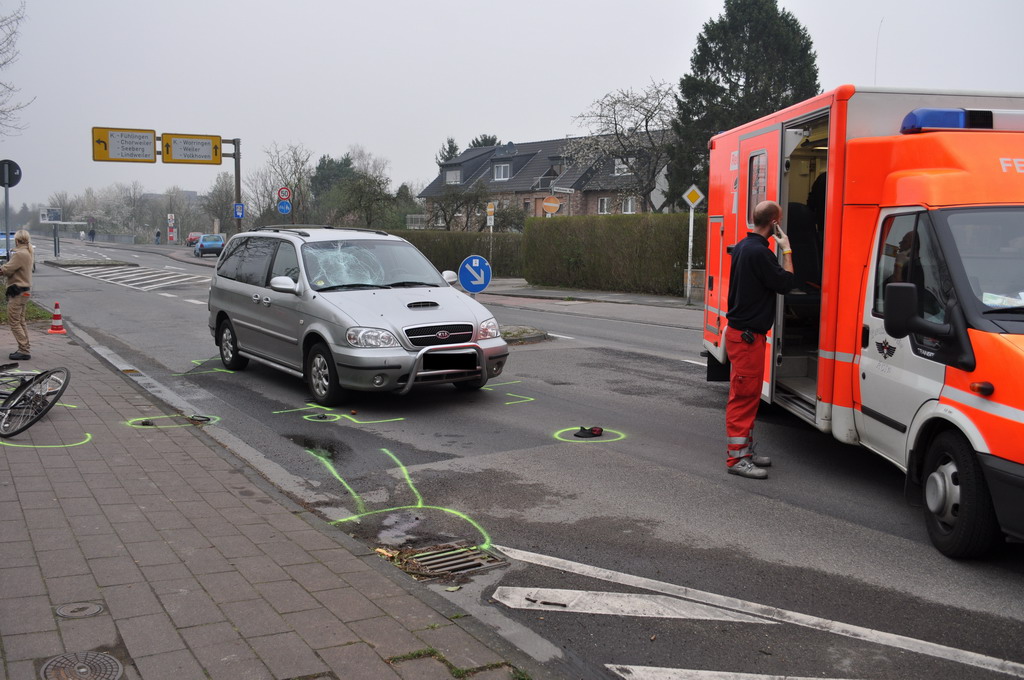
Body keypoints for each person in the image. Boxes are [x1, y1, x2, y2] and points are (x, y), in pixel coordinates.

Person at [724, 201, 795, 479]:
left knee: (749, 396)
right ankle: (736, 460)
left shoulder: (744, 246)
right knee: (743, 399)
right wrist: (786, 248)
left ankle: (745, 453)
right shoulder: (760, 253)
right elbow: (787, 283)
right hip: (747, 338)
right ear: (775, 222)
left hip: (743, 336)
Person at [1, 230, 34, 361]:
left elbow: (6, 269)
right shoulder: (28, 252)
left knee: (14, 322)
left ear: (17, 240)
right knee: (20, 321)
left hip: (17, 292)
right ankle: (25, 347)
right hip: (24, 291)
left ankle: (24, 350)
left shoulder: (20, 254)